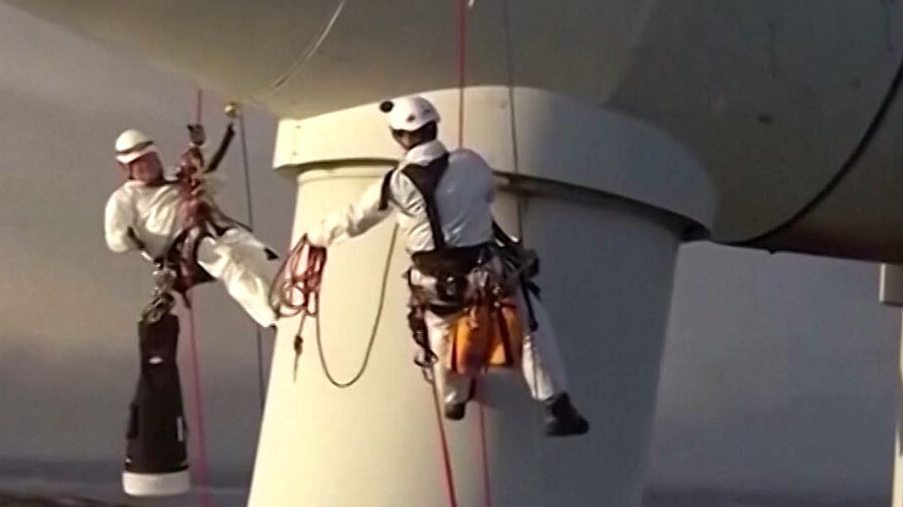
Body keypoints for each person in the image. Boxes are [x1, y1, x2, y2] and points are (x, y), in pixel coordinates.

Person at [300, 96, 590, 437]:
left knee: (442, 336)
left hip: (433, 283)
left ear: (398, 138)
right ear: (434, 127)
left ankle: (454, 399)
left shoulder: (393, 184)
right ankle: (557, 406)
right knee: (529, 325)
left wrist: (315, 237)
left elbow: (353, 220)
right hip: (484, 275)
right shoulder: (471, 164)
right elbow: (487, 197)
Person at [104, 128, 278, 328]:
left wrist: (202, 146)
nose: (147, 165)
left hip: (211, 225)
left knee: (256, 252)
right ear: (127, 168)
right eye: (139, 163)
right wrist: (131, 238)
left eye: (149, 159)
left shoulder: (177, 177)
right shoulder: (124, 199)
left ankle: (287, 295)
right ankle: (270, 318)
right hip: (181, 248)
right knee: (228, 264)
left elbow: (214, 179)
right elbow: (115, 241)